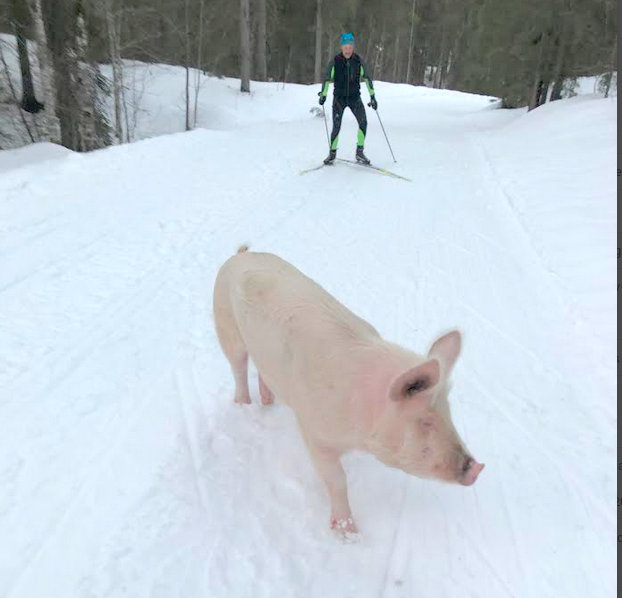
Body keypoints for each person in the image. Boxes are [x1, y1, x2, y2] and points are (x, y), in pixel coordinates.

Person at [318, 32, 378, 166]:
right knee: (336, 126)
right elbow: (327, 79)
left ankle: (359, 152)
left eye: (350, 46)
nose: (348, 49)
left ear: (353, 47)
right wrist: (323, 95)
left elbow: (367, 78)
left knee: (363, 123)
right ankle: (332, 154)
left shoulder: (358, 61)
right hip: (339, 98)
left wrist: (372, 96)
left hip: (354, 97)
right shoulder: (335, 61)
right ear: (341, 47)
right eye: (345, 46)